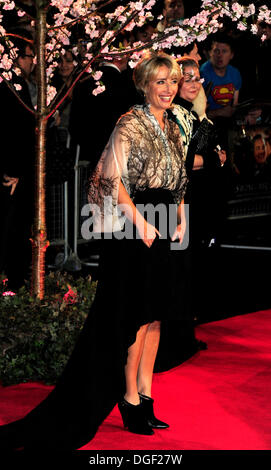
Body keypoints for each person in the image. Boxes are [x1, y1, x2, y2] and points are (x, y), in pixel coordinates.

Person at [0, 51, 191, 450]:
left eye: (173, 82)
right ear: (144, 85)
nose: (168, 89)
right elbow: (110, 178)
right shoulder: (129, 123)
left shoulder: (172, 126)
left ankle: (147, 393)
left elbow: (179, 179)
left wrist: (180, 218)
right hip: (133, 225)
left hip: (165, 223)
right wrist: (141, 224)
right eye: (161, 82)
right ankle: (130, 399)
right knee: (136, 317)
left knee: (156, 316)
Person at [169, 57, 227, 320]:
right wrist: (214, 159)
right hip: (183, 198)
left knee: (199, 258)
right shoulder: (174, 114)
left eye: (197, 78)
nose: (193, 82)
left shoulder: (197, 112)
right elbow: (181, 160)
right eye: (187, 78)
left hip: (204, 196)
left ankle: (191, 313)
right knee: (183, 259)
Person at [0, 32, 36, 290]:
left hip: (12, 170)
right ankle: (14, 286)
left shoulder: (13, 83)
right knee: (13, 234)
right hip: (12, 174)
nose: (33, 62)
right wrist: (15, 171)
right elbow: (17, 131)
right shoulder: (13, 85)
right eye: (29, 56)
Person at [200, 33, 242, 135]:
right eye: (216, 51)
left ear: (231, 55)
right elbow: (198, 112)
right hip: (207, 125)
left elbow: (235, 104)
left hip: (228, 123)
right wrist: (218, 113)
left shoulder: (235, 73)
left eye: (224, 51)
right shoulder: (202, 74)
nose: (220, 56)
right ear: (210, 53)